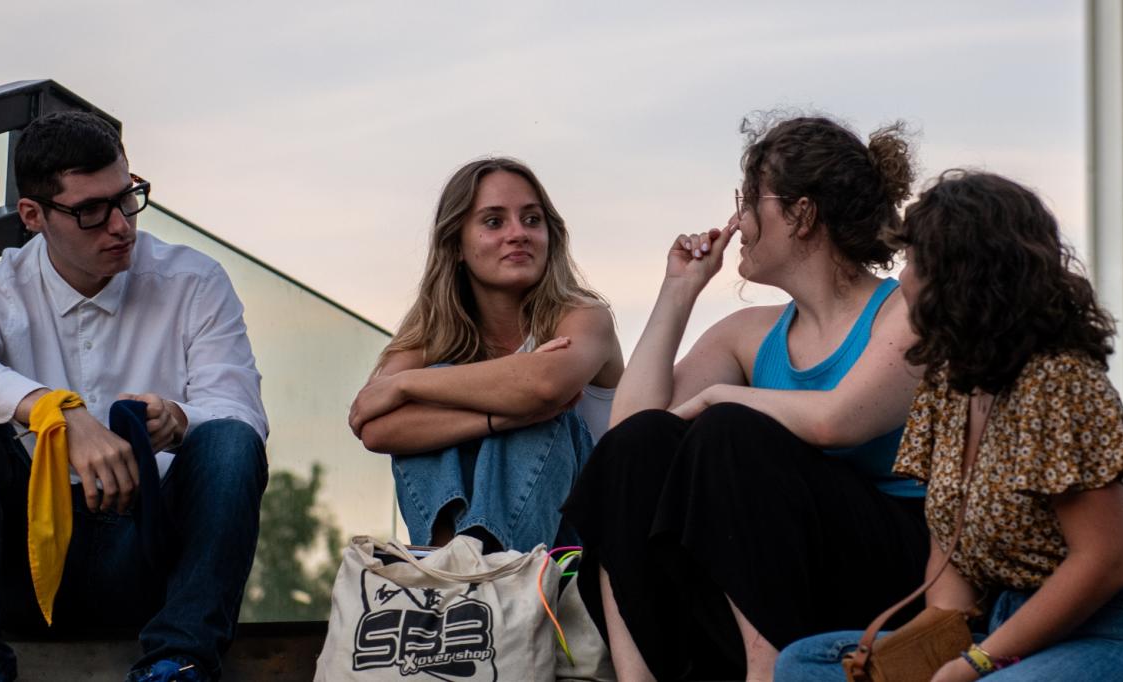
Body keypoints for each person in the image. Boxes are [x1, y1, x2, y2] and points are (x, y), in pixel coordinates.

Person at [774, 170, 1123, 681]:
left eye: (915, 262)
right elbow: (950, 570)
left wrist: (978, 662)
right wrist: (932, 652)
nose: (904, 279)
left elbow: (1105, 562)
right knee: (806, 665)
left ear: (960, 274)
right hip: (1006, 626)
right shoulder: (947, 385)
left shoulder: (1057, 379)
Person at [561, 115, 928, 681]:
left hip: (896, 571)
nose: (738, 220)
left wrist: (722, 401)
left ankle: (769, 674)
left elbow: (836, 422)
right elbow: (630, 436)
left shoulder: (902, 313)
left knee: (732, 431)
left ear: (801, 214)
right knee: (643, 444)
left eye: (750, 198)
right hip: (781, 570)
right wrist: (678, 291)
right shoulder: (750, 334)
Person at [0, 111, 268, 682]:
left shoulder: (194, 280)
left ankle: (182, 660)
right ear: (33, 216)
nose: (120, 225)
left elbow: (239, 409)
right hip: (23, 562)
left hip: (145, 555)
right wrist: (56, 411)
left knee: (230, 442)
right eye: (91, 212)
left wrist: (177, 419)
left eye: (127, 198)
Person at [349, 157, 622, 553]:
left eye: (531, 220)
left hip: (579, 548)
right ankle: (452, 563)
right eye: (494, 222)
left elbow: (545, 386)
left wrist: (408, 384)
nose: (518, 234)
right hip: (455, 555)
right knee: (475, 390)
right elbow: (375, 428)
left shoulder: (584, 316)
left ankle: (483, 564)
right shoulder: (431, 332)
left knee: (540, 412)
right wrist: (502, 415)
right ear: (456, 245)